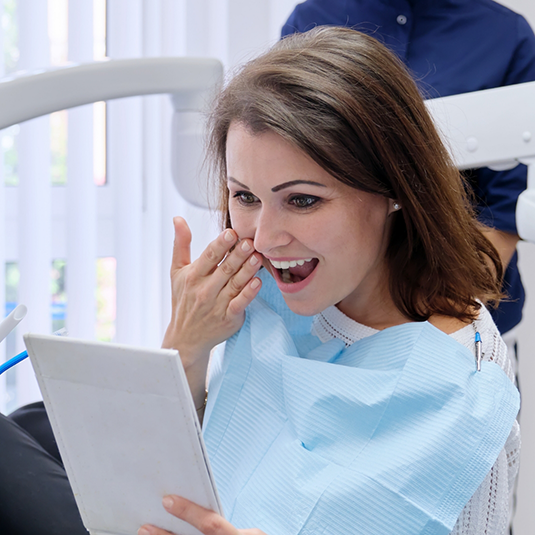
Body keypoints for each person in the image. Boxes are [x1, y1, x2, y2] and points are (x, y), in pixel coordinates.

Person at [139, 27, 520, 535]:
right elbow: (189, 467)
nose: (266, 238)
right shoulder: (261, 289)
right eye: (245, 197)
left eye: (302, 200)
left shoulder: (460, 386)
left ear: (395, 187)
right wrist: (185, 349)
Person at [280, 0, 535, 368]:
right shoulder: (311, 21)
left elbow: (503, 215)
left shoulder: (506, 36)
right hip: (330, 329)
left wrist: (436, 328)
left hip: (457, 327)